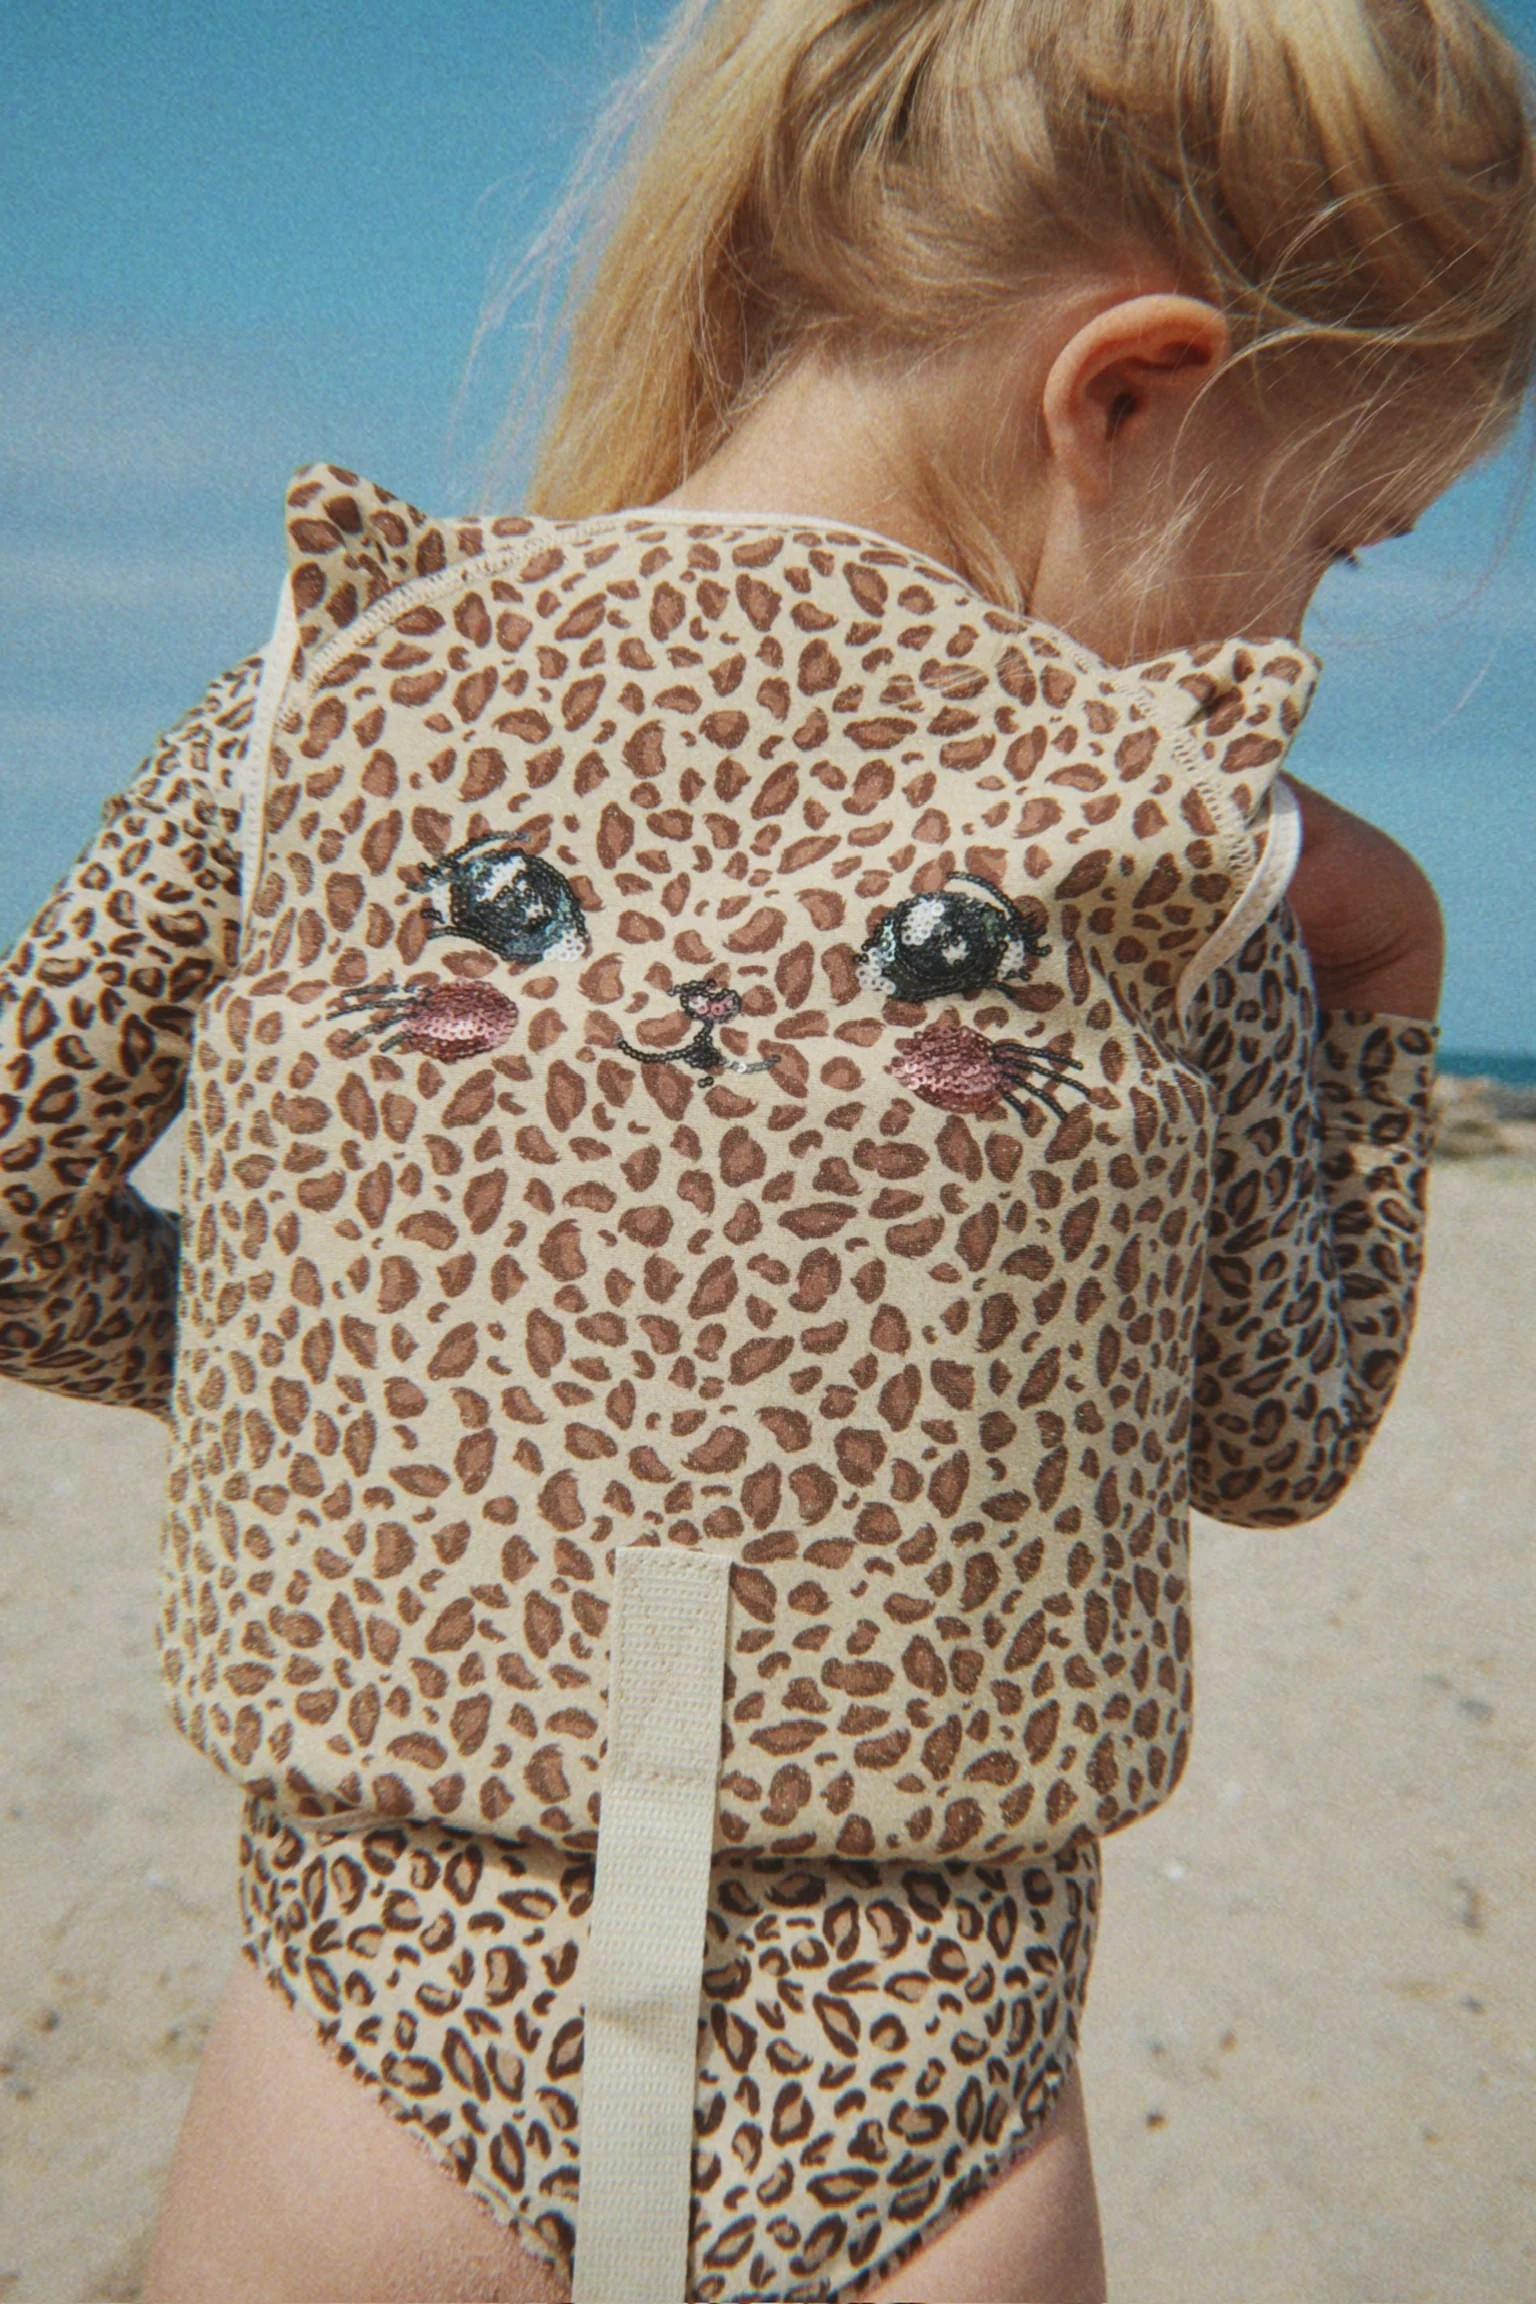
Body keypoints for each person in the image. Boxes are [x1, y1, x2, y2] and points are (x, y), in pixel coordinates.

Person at [1, 1, 1531, 2297]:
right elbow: (1276, 1434)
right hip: (931, 2097)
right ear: (1126, 390)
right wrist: (1390, 980)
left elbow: (9, 1214)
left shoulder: (328, 706)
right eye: (1342, 538)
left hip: (367, 2047)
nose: (1299, 623)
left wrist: (336, 1376)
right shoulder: (1154, 834)